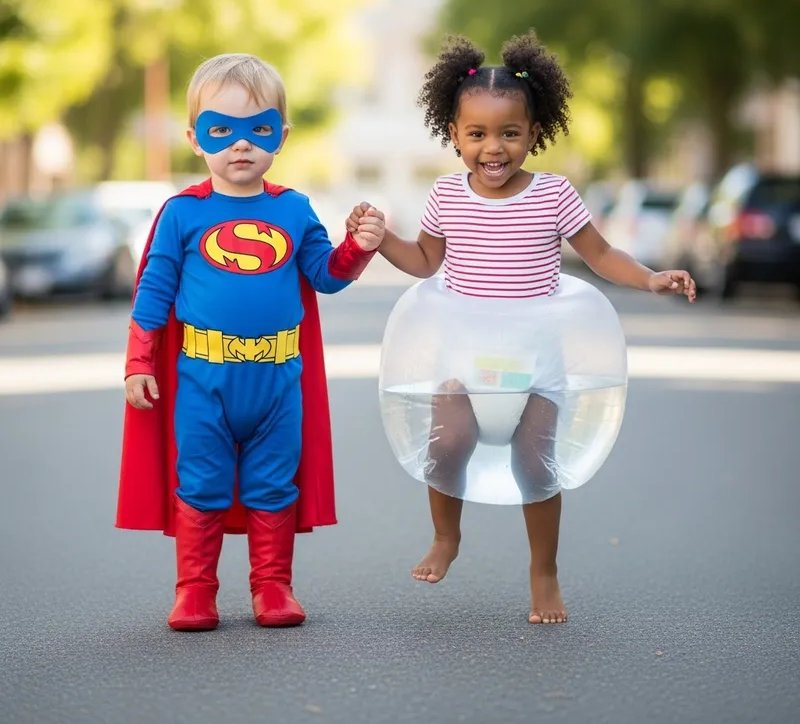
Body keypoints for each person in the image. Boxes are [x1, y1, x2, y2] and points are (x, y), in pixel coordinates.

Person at [346, 31, 695, 625]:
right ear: (452, 134)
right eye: (477, 134)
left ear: (535, 132)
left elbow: (603, 254)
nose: (493, 148)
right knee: (447, 445)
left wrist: (650, 279)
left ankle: (543, 571)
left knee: (536, 466)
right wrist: (381, 243)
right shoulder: (447, 196)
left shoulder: (554, 194)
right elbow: (426, 262)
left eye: (509, 133)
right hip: (463, 362)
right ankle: (447, 536)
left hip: (534, 368)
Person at [116, 53, 386, 632]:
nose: (241, 145)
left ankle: (272, 587)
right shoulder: (182, 214)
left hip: (277, 380)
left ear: (281, 136)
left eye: (257, 130)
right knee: (201, 481)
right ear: (195, 138)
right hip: (202, 379)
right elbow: (154, 291)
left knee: (273, 481)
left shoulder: (293, 208)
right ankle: (195, 592)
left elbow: (326, 275)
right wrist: (139, 362)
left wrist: (358, 247)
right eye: (223, 130)